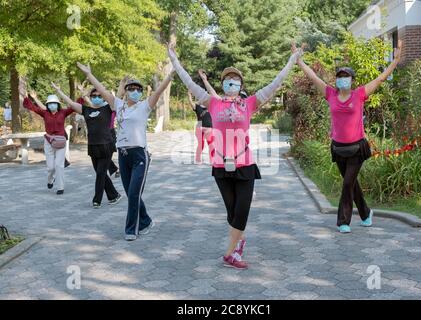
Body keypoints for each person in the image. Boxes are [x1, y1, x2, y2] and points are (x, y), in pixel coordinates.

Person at [168, 42, 301, 269]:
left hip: (245, 163)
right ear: (222, 84)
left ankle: (229, 254)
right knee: (232, 213)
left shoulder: (249, 103)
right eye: (228, 79)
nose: (232, 82)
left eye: (236, 80)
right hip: (221, 165)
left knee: (242, 211)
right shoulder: (213, 103)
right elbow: (188, 83)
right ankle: (238, 244)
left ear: (241, 85)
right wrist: (173, 58)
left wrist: (292, 60)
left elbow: (275, 82)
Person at [295, 41, 403, 233]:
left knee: (347, 184)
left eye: (346, 76)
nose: (342, 79)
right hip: (338, 148)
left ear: (352, 79)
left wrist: (395, 62)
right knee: (352, 184)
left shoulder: (359, 94)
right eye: (340, 76)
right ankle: (366, 213)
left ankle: (343, 221)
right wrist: (299, 60)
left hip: (357, 148)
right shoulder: (330, 94)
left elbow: (379, 79)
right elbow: (313, 77)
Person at [77, 62, 174, 241]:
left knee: (135, 193)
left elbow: (158, 91)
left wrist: (170, 75)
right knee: (130, 193)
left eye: (138, 89)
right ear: (126, 90)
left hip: (139, 155)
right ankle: (146, 221)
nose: (135, 92)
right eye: (132, 89)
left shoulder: (145, 106)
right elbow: (102, 89)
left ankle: (131, 229)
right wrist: (89, 74)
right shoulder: (118, 105)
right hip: (123, 155)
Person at [51, 83, 122, 209]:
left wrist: (120, 85)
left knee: (100, 173)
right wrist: (58, 91)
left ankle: (97, 200)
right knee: (100, 173)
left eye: (99, 95)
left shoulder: (108, 108)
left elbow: (116, 97)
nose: (96, 97)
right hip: (93, 146)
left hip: (106, 145)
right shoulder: (87, 110)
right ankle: (114, 195)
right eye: (93, 95)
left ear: (103, 97)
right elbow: (72, 104)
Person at [23, 92, 74, 195]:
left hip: (60, 142)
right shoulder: (45, 113)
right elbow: (33, 108)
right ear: (47, 105)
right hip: (49, 141)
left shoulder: (63, 112)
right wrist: (27, 97)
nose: (52, 105)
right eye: (50, 103)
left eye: (54, 103)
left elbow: (74, 106)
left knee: (59, 165)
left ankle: (60, 187)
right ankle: (50, 180)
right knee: (50, 167)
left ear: (58, 104)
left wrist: (83, 96)